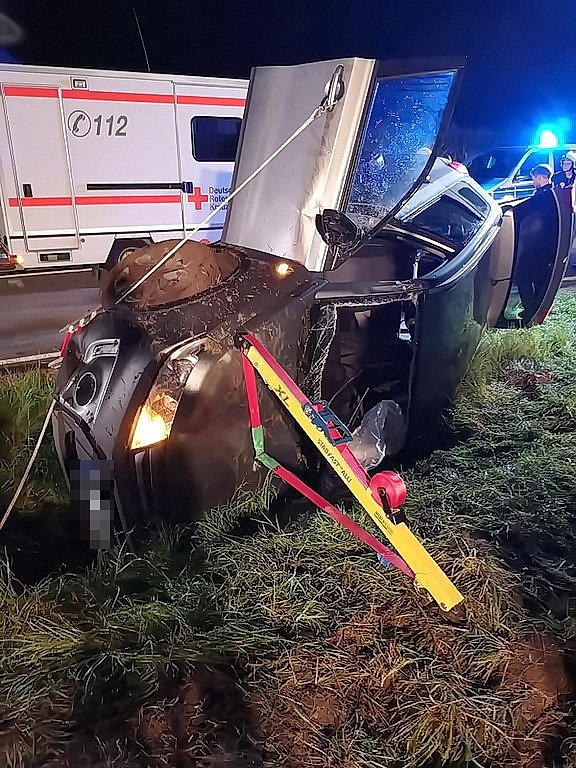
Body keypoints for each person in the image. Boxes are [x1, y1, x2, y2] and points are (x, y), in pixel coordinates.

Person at [513, 163, 557, 320]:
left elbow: (526, 210)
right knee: (539, 278)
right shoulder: (551, 194)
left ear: (540, 177)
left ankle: (531, 311)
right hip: (546, 245)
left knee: (523, 277)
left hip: (538, 245)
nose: (533, 181)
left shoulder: (543, 196)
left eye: (533, 178)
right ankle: (537, 310)